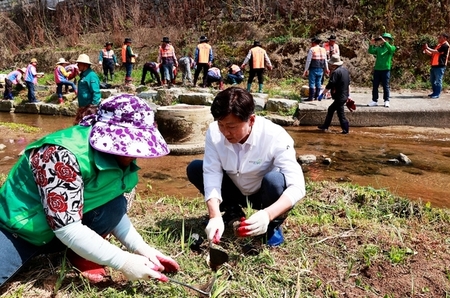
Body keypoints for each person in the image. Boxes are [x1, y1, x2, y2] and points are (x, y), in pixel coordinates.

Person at [0, 94, 180, 287]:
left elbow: (111, 206)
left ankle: (79, 253)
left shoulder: (119, 154)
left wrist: (142, 249)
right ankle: (77, 250)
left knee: (116, 203)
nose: (135, 154)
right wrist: (124, 261)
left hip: (61, 230)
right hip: (20, 231)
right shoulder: (60, 155)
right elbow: (66, 227)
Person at [186, 87, 306, 247]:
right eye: (221, 124)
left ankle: (272, 224)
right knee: (196, 168)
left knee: (276, 181)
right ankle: (232, 211)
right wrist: (214, 214)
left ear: (251, 120)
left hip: (264, 194)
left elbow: (297, 186)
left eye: (232, 126)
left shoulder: (274, 136)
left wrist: (268, 214)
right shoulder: (214, 132)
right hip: (235, 189)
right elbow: (211, 172)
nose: (225, 132)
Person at [317, 54, 351, 134]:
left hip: (339, 97)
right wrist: (348, 95)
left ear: (334, 64)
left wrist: (322, 94)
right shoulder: (345, 71)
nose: (330, 65)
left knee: (340, 114)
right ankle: (326, 126)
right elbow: (348, 84)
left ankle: (346, 130)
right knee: (332, 109)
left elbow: (330, 85)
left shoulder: (336, 72)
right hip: (344, 96)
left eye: (331, 64)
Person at [367, 32, 396, 107]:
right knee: (375, 85)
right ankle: (374, 100)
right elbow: (371, 51)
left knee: (386, 86)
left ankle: (386, 100)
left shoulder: (392, 47)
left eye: (386, 39)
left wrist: (385, 42)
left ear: (389, 40)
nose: (383, 40)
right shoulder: (379, 48)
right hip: (377, 69)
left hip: (386, 70)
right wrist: (371, 44)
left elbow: (391, 49)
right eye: (383, 38)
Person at [75, 54, 101, 124]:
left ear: (85, 65)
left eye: (79, 64)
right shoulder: (83, 75)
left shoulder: (91, 76)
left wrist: (92, 108)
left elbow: (96, 93)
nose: (77, 65)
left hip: (89, 108)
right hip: (82, 108)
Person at [423, 33, 450, 99]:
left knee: (438, 80)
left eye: (440, 37)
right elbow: (432, 54)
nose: (439, 38)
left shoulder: (445, 45)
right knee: (432, 80)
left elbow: (436, 52)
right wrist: (426, 51)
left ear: (445, 38)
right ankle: (434, 92)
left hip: (440, 65)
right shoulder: (439, 45)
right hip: (434, 65)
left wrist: (428, 48)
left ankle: (437, 94)